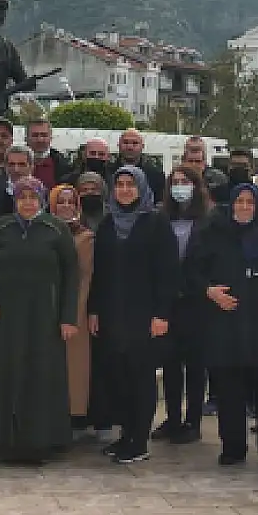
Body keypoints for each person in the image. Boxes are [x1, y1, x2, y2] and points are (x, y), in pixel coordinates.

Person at [186, 182, 258, 467]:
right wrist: (209, 291)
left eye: (250, 203)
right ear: (231, 205)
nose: (244, 207)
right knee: (229, 392)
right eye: (239, 202)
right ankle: (233, 448)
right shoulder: (213, 234)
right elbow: (191, 271)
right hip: (226, 327)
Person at [0, 175, 80, 464]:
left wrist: (68, 317)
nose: (27, 202)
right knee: (8, 372)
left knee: (42, 374)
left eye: (32, 197)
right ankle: (5, 441)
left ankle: (43, 441)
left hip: (45, 316)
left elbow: (71, 275)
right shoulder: (2, 228)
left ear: (41, 199)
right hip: (9, 315)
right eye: (22, 196)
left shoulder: (56, 229)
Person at [88, 167, 178, 465]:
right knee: (119, 377)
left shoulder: (156, 223)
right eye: (120, 185)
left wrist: (162, 314)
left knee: (141, 378)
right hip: (113, 313)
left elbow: (168, 273)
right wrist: (94, 310)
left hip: (145, 314)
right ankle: (125, 435)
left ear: (141, 188)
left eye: (130, 185)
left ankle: (139, 441)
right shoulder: (107, 224)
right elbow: (98, 274)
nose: (125, 190)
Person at [157, 166, 212, 445]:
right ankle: (173, 418)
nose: (180, 186)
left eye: (185, 182)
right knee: (170, 363)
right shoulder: (161, 216)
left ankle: (193, 420)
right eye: (175, 182)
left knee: (195, 364)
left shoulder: (209, 219)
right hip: (169, 301)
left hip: (197, 301)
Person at [50, 182, 98, 434]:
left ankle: (73, 417)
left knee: (73, 367)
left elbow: (87, 276)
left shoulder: (85, 236)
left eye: (71, 202)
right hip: (45, 305)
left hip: (76, 307)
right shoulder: (44, 232)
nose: (66, 207)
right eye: (61, 201)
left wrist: (77, 311)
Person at [114, 129, 167, 200]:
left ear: (142, 146)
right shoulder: (108, 171)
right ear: (118, 145)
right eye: (125, 143)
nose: (130, 147)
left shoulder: (156, 174)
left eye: (135, 143)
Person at [26, 119, 72, 187]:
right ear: (26, 138)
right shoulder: (13, 161)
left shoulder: (64, 165)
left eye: (44, 135)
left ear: (51, 137)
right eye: (35, 135)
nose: (40, 140)